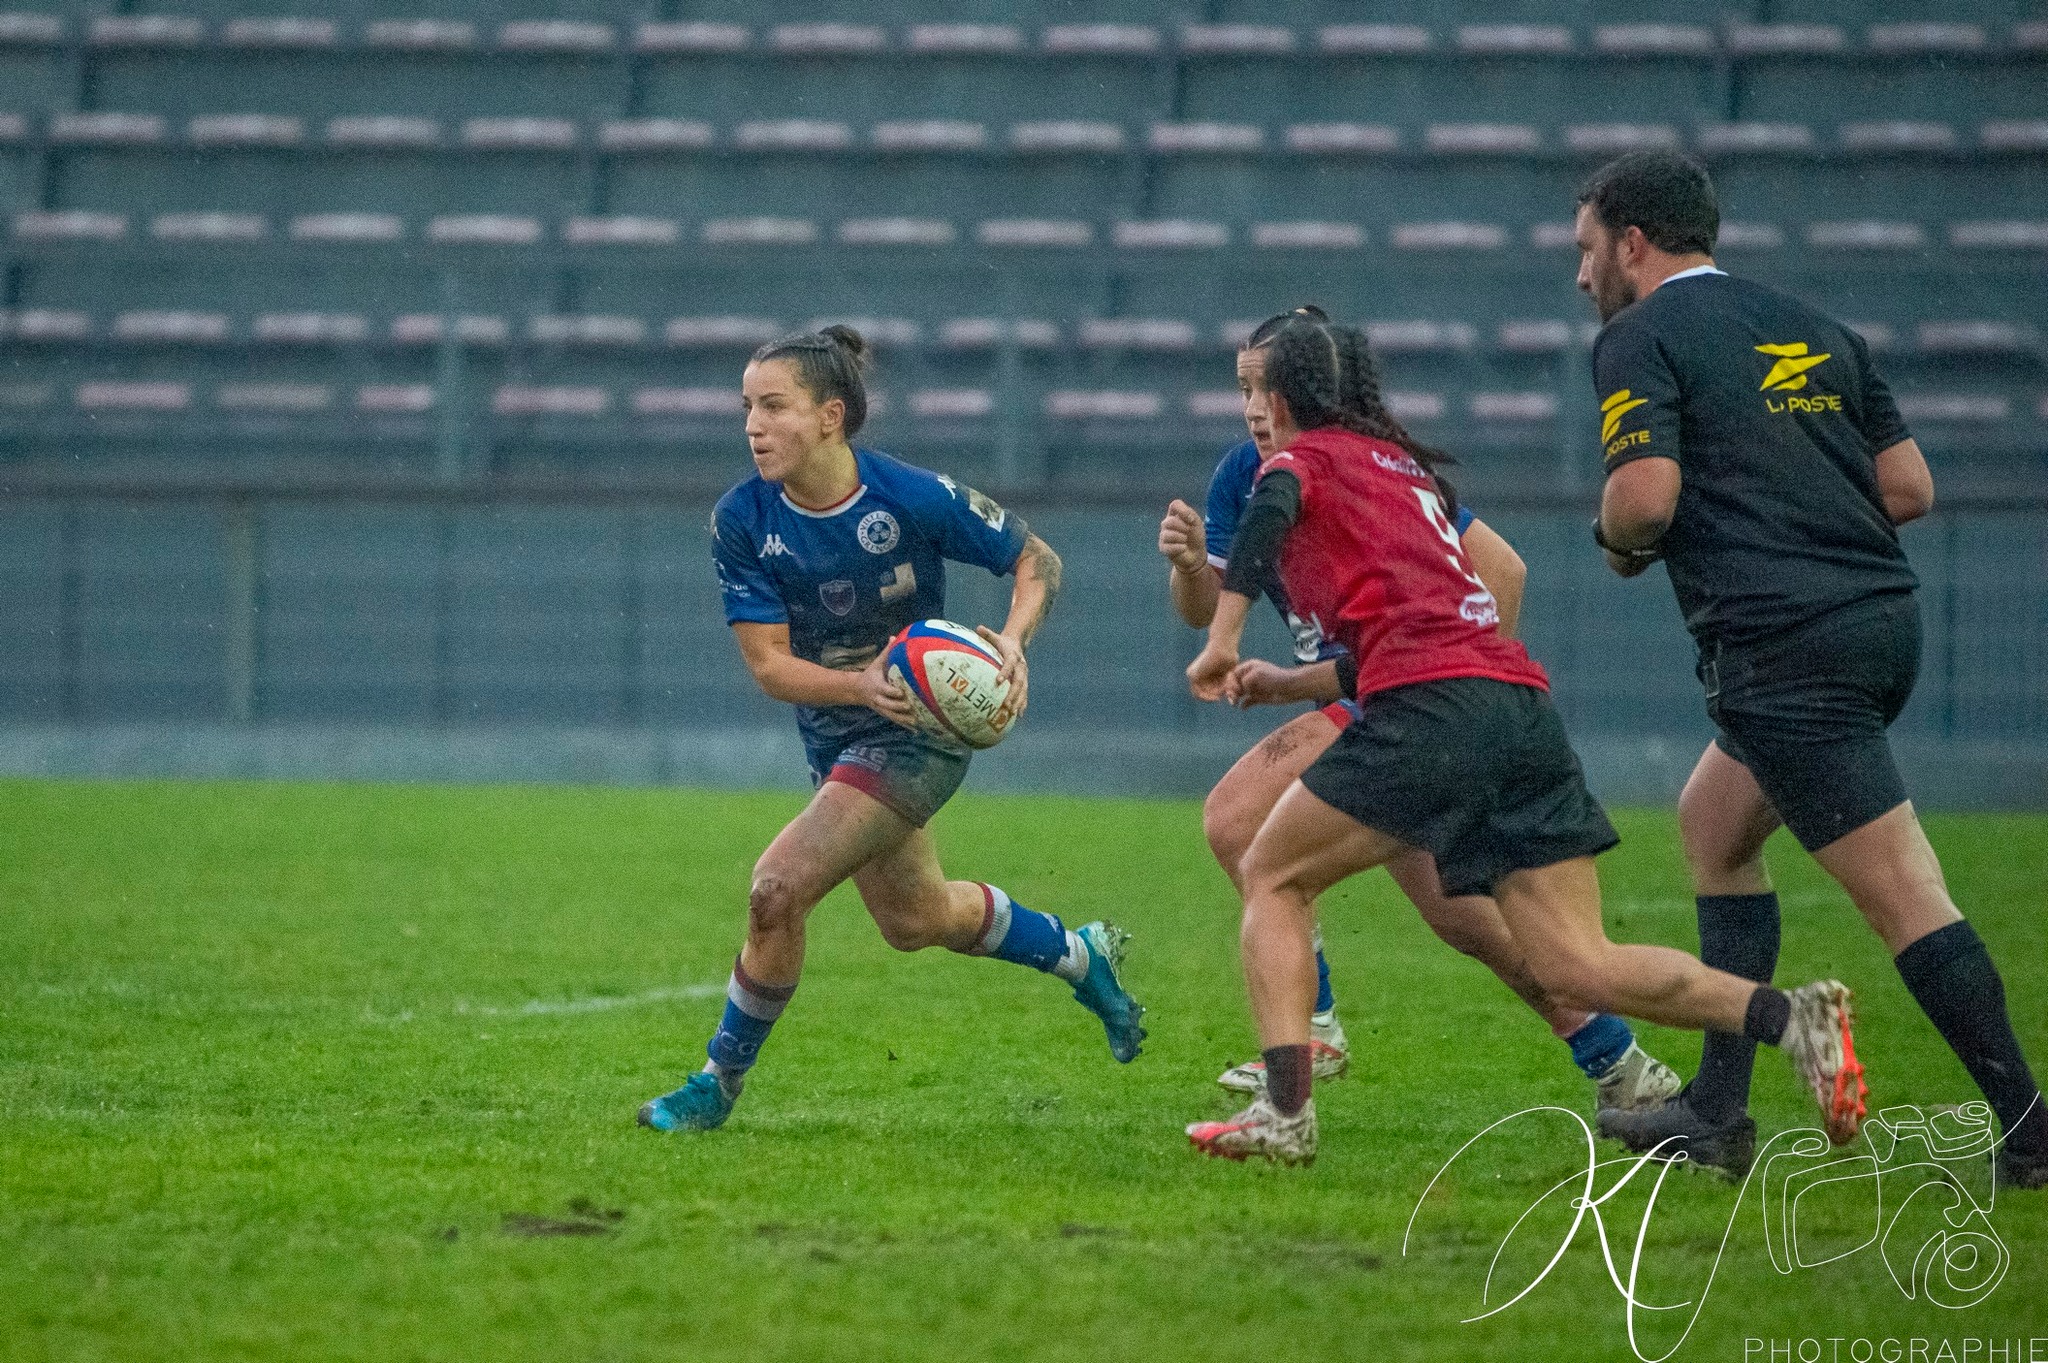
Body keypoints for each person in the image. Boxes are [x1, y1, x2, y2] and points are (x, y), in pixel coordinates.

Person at [1181, 313, 1865, 1166]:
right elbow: (1424, 620)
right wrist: (1287, 683)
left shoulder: (1298, 460)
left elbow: (1274, 502)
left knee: (1271, 872)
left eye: (1255, 390)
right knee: (1581, 963)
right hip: (1516, 708)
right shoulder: (1402, 468)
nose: (1249, 408)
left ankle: (1286, 1109)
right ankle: (1793, 1017)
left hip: (1430, 715)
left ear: (1283, 398)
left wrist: (1222, 638)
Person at [1573, 150, 2046, 1186]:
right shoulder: (1812, 325)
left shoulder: (1636, 335)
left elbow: (1643, 501)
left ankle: (2030, 1127)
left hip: (1786, 646)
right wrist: (1800, 516)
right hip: (1878, 622)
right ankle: (1715, 1112)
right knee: (1713, 825)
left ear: (1632, 243)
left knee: (1901, 892)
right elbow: (1907, 485)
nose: (1581, 274)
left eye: (1586, 248)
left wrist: (1614, 537)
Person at [1159, 307, 1679, 1113]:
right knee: (1464, 917)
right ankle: (1624, 1065)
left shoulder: (1363, 465)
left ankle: (1314, 1033)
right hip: (1387, 701)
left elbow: (1504, 570)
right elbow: (1201, 609)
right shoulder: (1245, 474)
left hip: (1405, 699)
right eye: (1241, 390)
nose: (1254, 408)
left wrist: (1452, 683)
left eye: (1265, 388)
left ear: (1306, 389)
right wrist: (1193, 563)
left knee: (1236, 818)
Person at [637, 325, 1145, 1133]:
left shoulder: (909, 496)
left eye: (774, 406)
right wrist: (855, 685)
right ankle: (1082, 954)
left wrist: (1010, 642)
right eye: (746, 408)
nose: (752, 426)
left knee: (776, 890)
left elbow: (1037, 559)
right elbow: (769, 667)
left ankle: (714, 1086)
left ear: (831, 415)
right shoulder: (742, 518)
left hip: (919, 732)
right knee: (915, 920)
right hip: (841, 733)